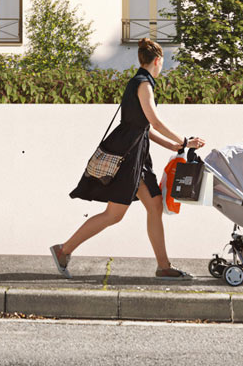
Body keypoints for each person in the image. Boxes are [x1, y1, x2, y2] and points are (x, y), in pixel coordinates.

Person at [50, 38, 204, 280]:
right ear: (157, 61)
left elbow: (143, 128)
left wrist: (173, 145)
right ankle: (63, 250)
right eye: (162, 63)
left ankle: (163, 267)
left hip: (137, 156)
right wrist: (185, 141)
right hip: (129, 158)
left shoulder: (138, 82)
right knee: (114, 214)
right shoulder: (144, 84)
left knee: (154, 206)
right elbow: (155, 122)